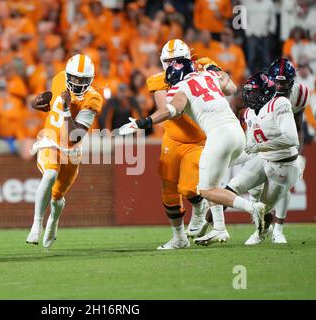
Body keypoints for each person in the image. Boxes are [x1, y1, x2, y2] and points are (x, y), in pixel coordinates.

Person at [119, 58, 267, 245]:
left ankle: (253, 208)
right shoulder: (209, 75)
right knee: (212, 180)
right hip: (237, 133)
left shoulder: (181, 87)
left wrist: (143, 122)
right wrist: (216, 69)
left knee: (206, 190)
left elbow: (172, 110)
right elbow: (231, 87)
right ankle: (219, 229)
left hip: (218, 136)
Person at [26, 54, 103, 248]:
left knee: (57, 198)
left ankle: (53, 221)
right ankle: (37, 224)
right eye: (74, 78)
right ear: (68, 75)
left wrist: (67, 108)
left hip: (71, 149)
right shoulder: (59, 78)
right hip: (50, 140)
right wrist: (43, 103)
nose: (77, 83)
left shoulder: (92, 99)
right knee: (50, 173)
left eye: (83, 80)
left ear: (90, 80)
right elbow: (53, 99)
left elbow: (74, 136)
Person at [143, 39, 211, 250]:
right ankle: (179, 238)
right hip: (172, 138)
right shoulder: (158, 80)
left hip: (198, 139)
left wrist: (210, 70)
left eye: (177, 61)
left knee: (189, 188)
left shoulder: (202, 69)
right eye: (169, 61)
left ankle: (200, 207)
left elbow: (225, 87)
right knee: (169, 190)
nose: (174, 65)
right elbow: (168, 111)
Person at [227, 72, 299, 244]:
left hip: (283, 165)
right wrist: (228, 161)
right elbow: (249, 149)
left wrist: (260, 147)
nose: (249, 96)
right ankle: (212, 228)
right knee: (231, 187)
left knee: (264, 208)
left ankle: (263, 232)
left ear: (265, 92)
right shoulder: (249, 113)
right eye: (248, 92)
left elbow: (291, 139)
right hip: (263, 158)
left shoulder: (280, 103)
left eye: (253, 92)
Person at [243, 58, 309, 244]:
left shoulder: (300, 94)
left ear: (292, 81)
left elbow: (298, 126)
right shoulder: (262, 92)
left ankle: (278, 230)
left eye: (284, 81)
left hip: (285, 144)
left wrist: (297, 153)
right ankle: (262, 227)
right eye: (276, 81)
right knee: (255, 192)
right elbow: (252, 121)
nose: (280, 86)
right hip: (261, 142)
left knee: (283, 183)